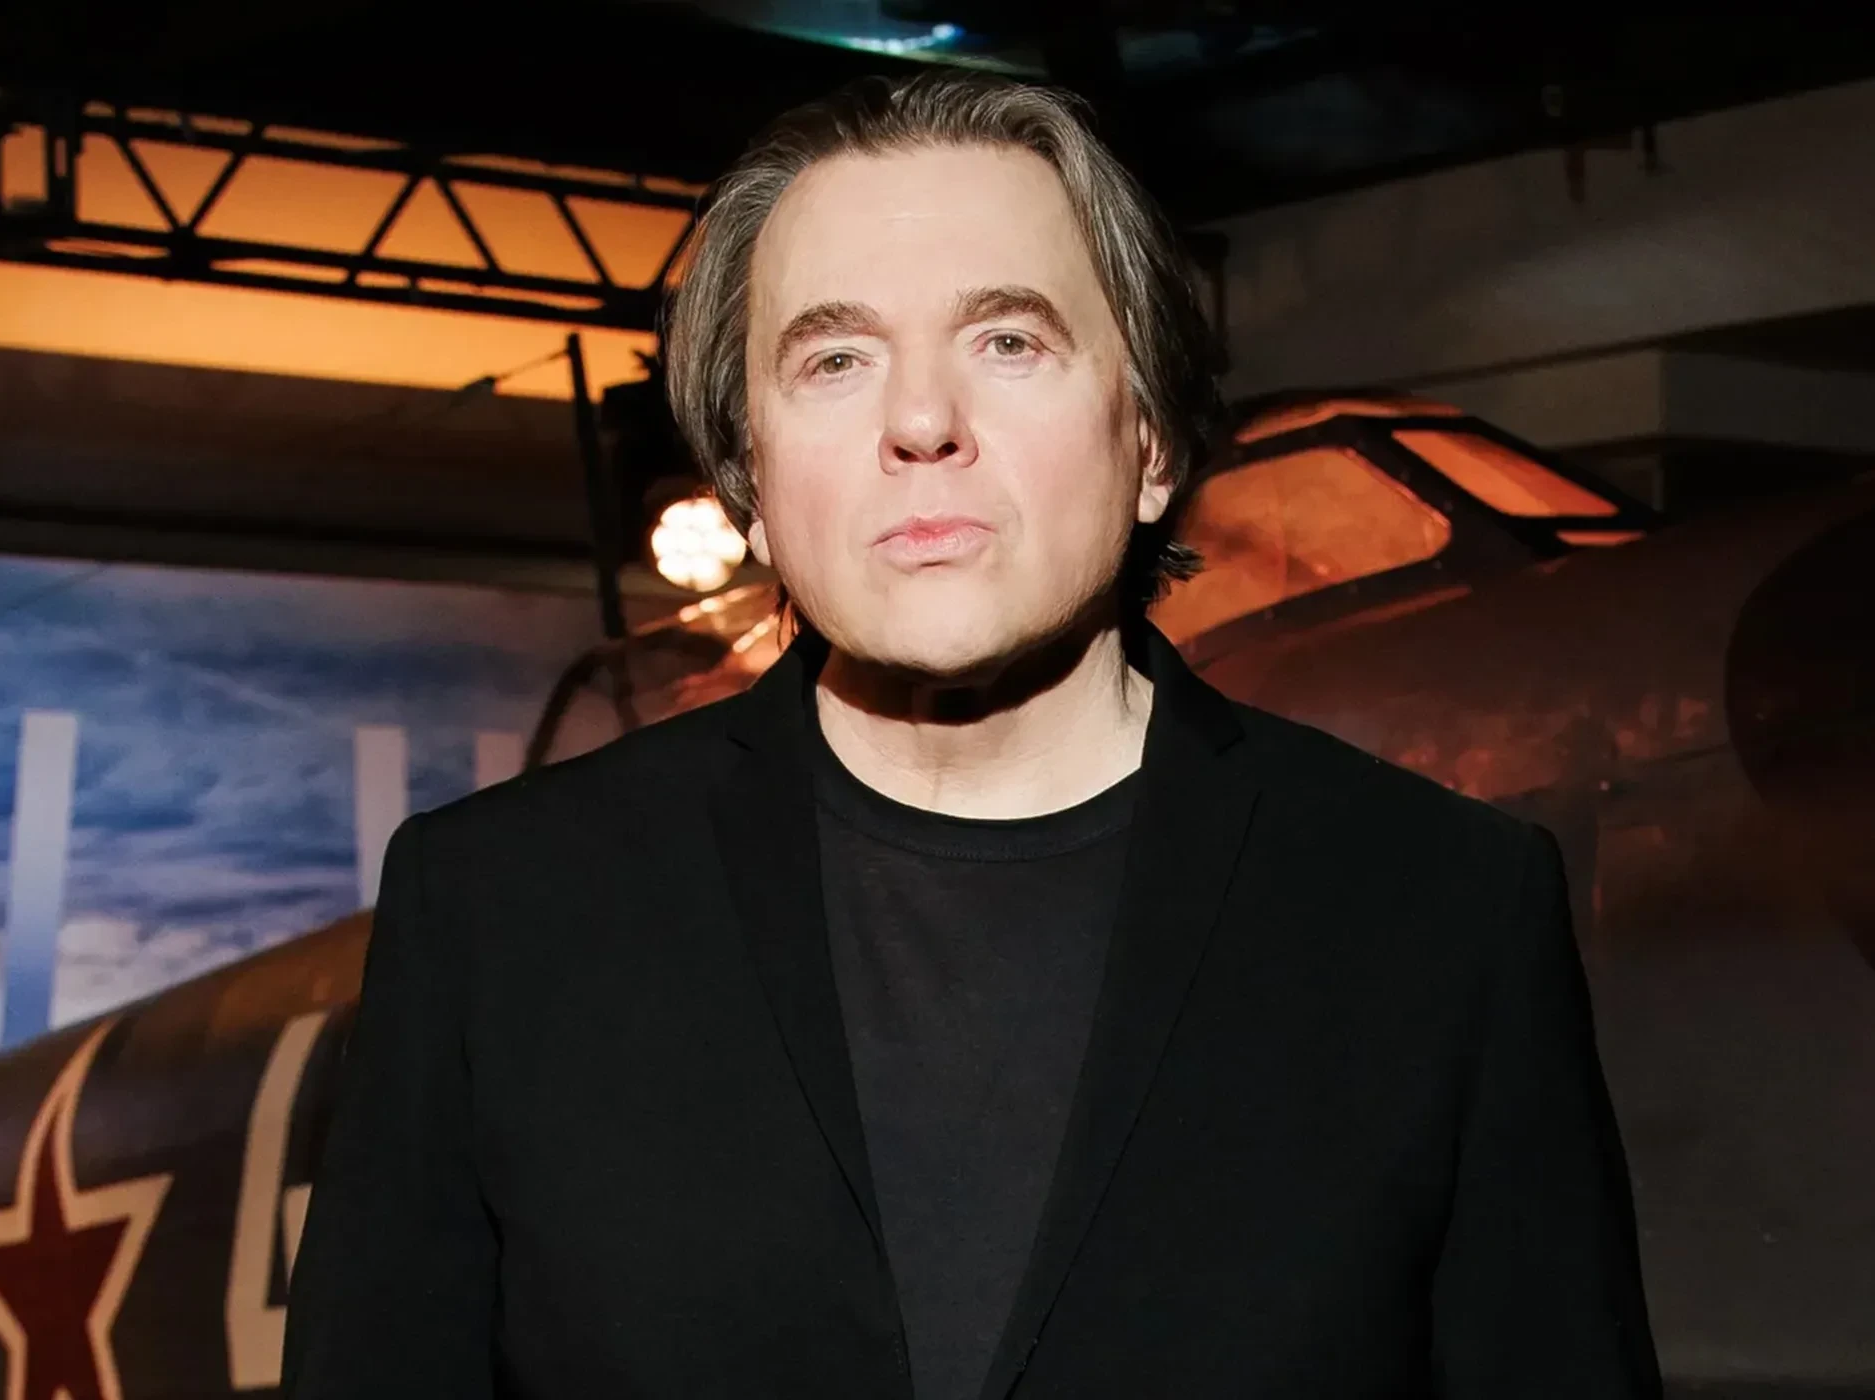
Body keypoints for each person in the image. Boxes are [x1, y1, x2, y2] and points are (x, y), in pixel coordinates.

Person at [283, 69, 1661, 1399]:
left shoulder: (1440, 910)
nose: (923, 421)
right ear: (751, 477)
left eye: (1008, 341)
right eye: (834, 359)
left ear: (1150, 441)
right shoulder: (500, 912)